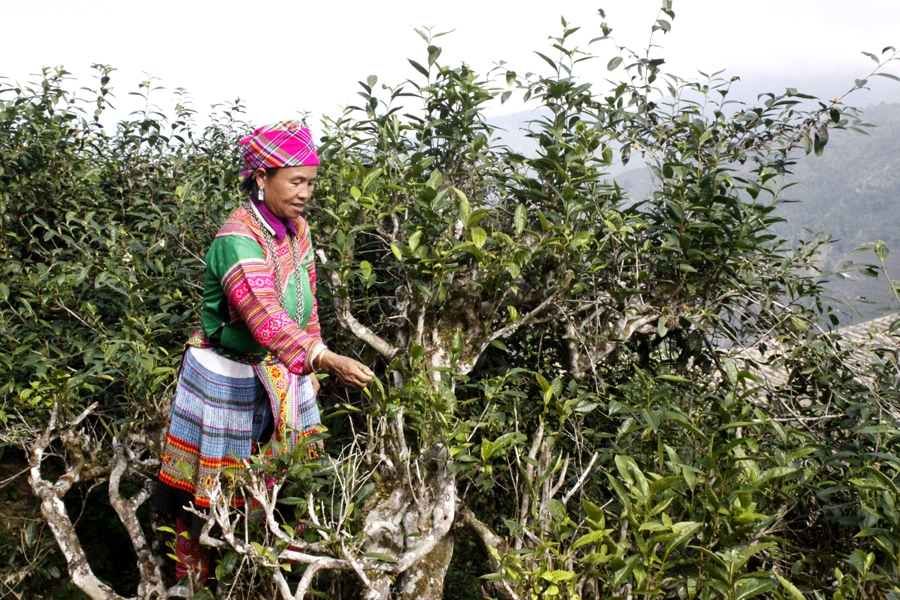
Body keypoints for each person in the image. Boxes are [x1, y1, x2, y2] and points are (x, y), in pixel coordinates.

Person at [153, 120, 372, 589]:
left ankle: (270, 579)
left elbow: (306, 302)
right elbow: (263, 316)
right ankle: (188, 584)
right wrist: (323, 359)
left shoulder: (297, 230)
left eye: (311, 182)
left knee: (284, 478)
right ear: (261, 177)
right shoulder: (237, 237)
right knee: (204, 494)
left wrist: (312, 364)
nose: (305, 193)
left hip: (279, 368)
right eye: (296, 181)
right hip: (223, 374)